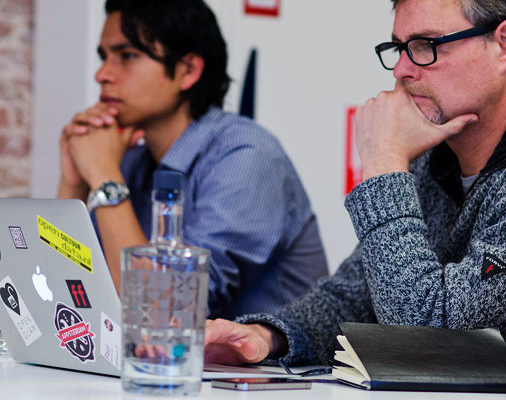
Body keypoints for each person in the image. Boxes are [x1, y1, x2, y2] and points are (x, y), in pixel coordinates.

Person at [203, 0, 506, 366]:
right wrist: (268, 337)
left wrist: (384, 161)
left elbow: (429, 341)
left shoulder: (402, 159)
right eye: (399, 47)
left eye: (426, 45)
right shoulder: (430, 163)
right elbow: (354, 297)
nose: (401, 69)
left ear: (502, 44)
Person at [57, 0, 328, 319]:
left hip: (274, 354)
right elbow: (63, 294)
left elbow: (165, 312)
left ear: (188, 71)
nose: (102, 74)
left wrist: (104, 178)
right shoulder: (130, 159)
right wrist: (74, 182)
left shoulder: (246, 155)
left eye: (127, 56)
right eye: (104, 57)